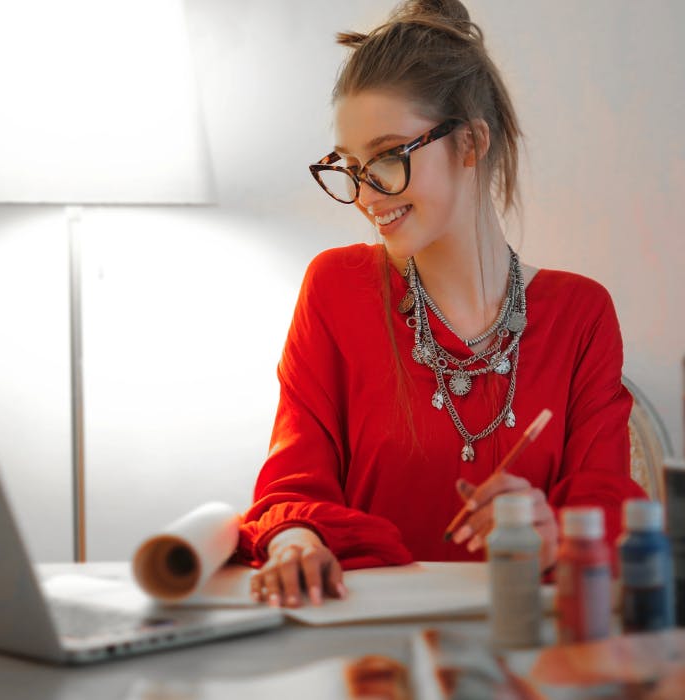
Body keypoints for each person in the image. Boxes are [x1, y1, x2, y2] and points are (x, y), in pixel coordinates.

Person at [235, 0, 647, 609]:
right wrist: (294, 540)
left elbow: (609, 503)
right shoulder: (336, 288)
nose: (365, 194)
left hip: (526, 641)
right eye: (352, 166)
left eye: (388, 156)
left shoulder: (579, 313)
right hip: (369, 643)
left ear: (472, 142)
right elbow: (291, 486)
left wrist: (552, 529)